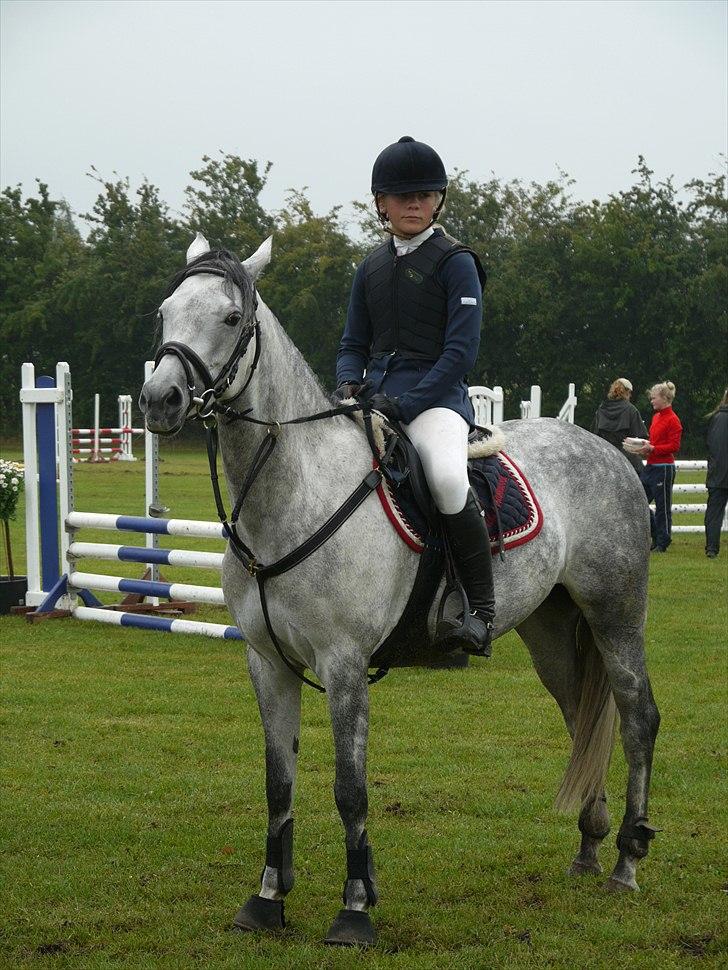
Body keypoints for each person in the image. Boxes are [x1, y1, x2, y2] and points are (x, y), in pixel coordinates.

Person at [332, 135, 493, 657]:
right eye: (402, 197)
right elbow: (353, 342)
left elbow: (460, 353)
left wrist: (412, 402)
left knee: (447, 480)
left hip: (439, 400)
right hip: (376, 399)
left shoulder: (456, 262)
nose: (413, 204)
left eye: (424, 194)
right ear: (381, 203)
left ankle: (478, 610)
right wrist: (346, 382)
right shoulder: (370, 267)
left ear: (439, 200)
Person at [639, 381, 682, 553]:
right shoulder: (656, 417)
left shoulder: (673, 420)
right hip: (651, 465)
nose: (651, 401)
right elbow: (656, 442)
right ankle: (656, 535)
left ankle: (663, 541)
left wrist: (653, 449)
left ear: (664, 398)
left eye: (654, 398)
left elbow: (674, 446)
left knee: (662, 507)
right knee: (640, 501)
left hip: (664, 468)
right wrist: (645, 448)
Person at [591, 377, 648, 476]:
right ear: (627, 392)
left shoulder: (601, 409)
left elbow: (593, 433)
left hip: (604, 456)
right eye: (630, 393)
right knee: (643, 479)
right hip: (626, 456)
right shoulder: (631, 410)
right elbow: (641, 436)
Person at [704, 389, 728, 558]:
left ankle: (712, 548)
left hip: (717, 472)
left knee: (713, 513)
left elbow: (710, 444)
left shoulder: (715, 417)